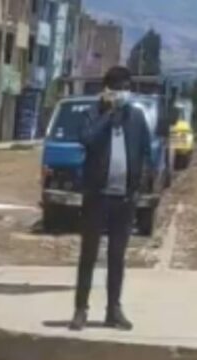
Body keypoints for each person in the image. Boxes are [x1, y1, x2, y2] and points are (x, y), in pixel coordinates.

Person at [69, 66, 152, 332]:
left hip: (124, 199)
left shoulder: (137, 117)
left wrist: (139, 187)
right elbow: (87, 140)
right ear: (106, 90)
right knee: (89, 254)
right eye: (117, 88)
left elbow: (146, 151)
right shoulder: (92, 114)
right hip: (97, 196)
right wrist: (108, 114)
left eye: (126, 88)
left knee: (117, 256)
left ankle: (113, 310)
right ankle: (81, 309)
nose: (122, 94)